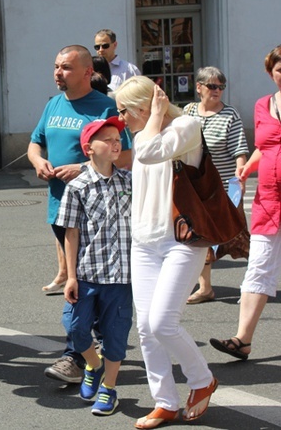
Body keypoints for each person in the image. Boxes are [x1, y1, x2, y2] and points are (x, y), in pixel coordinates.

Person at [115, 76, 218, 429]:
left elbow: (149, 151)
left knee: (162, 322)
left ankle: (202, 379)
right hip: (144, 241)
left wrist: (156, 116)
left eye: (125, 111)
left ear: (145, 105)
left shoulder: (186, 126)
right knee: (145, 327)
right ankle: (165, 401)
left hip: (182, 239)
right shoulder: (143, 132)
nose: (121, 119)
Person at [27, 45, 132, 384]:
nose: (59, 73)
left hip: (97, 212)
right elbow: (35, 142)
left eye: (67, 68)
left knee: (88, 288)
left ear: (88, 72)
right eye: (56, 66)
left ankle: (77, 356)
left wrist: (82, 167)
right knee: (82, 284)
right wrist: (38, 161)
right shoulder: (53, 104)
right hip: (61, 207)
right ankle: (95, 355)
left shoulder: (105, 108)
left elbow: (125, 157)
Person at [57, 116, 133, 416]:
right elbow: (71, 233)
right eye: (108, 139)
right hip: (88, 274)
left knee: (116, 335)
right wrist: (71, 276)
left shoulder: (130, 180)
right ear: (89, 148)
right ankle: (92, 364)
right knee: (75, 327)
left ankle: (109, 388)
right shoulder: (77, 187)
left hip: (121, 276)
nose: (116, 143)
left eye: (118, 138)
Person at [209, 45, 281, 362]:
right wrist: (246, 167)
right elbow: (264, 147)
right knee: (258, 267)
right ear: (271, 73)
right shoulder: (263, 105)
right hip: (268, 199)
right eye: (279, 69)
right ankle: (242, 340)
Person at [183, 66, 249, 304]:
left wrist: (238, 180)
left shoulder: (230, 114)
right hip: (195, 185)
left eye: (221, 86)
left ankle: (254, 286)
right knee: (201, 236)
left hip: (220, 187)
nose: (217, 91)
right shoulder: (188, 111)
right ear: (199, 87)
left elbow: (240, 151)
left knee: (236, 236)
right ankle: (206, 287)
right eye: (212, 86)